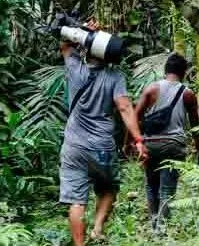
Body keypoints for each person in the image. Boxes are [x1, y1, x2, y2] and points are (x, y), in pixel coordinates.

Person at [59, 20, 147, 245]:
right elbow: (125, 107)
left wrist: (83, 31)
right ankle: (97, 229)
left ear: (88, 49)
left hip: (73, 146)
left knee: (76, 201)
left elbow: (65, 43)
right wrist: (138, 139)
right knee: (109, 189)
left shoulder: (75, 67)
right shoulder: (115, 76)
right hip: (102, 147)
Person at [135, 52, 199, 232]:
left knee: (151, 186)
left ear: (165, 70)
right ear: (184, 72)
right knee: (167, 189)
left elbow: (135, 115)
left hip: (151, 144)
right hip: (174, 146)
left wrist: (130, 142)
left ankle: (154, 225)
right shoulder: (188, 94)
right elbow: (195, 124)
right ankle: (161, 231)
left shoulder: (151, 89)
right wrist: (198, 145)